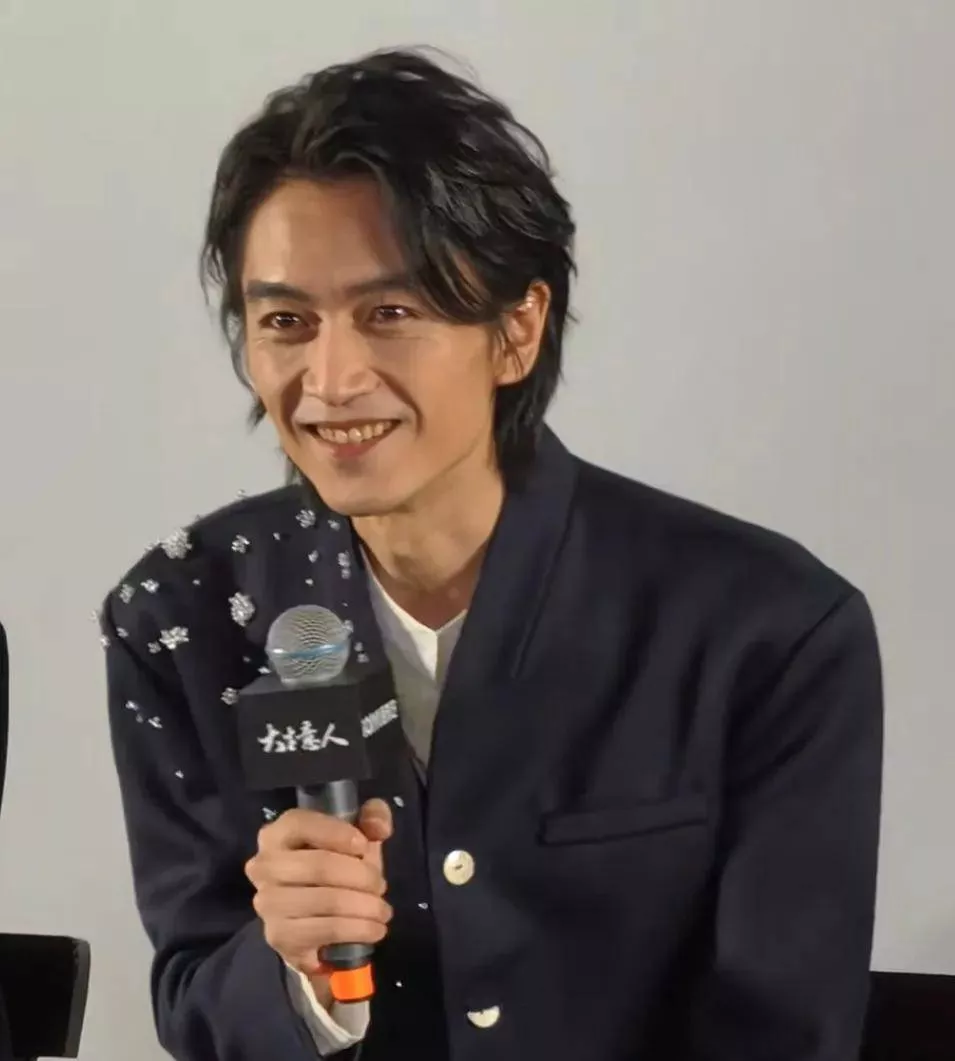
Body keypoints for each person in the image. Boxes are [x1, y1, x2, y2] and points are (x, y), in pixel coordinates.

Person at [101, 47, 883, 1061]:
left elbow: (783, 1030)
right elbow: (196, 1002)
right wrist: (296, 972)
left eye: (390, 313)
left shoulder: (764, 629)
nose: (329, 380)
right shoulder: (183, 612)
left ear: (517, 328)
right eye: (286, 321)